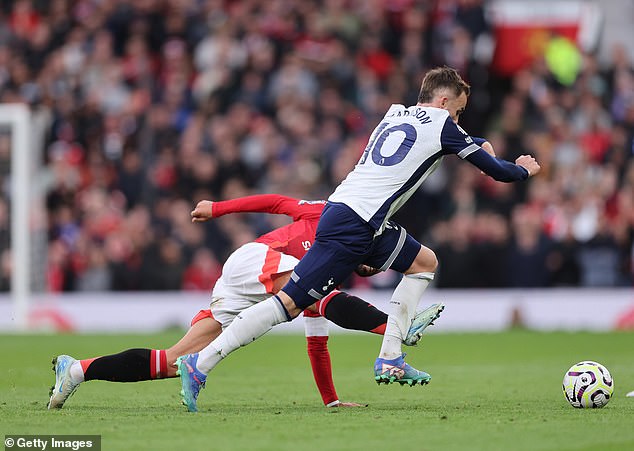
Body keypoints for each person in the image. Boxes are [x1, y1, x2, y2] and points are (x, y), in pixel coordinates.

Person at [176, 66, 541, 412]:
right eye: (459, 111)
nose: (458, 120)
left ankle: (390, 355)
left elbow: (445, 141)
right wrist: (523, 169)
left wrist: (478, 142)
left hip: (361, 220)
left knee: (424, 263)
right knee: (287, 306)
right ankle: (200, 363)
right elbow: (499, 173)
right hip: (352, 225)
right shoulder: (444, 125)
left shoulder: (395, 112)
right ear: (444, 103)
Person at [48, 194, 444, 410]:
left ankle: (77, 370)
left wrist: (331, 401)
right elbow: (273, 202)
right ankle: (399, 332)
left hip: (241, 284)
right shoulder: (330, 213)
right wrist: (216, 209)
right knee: (321, 298)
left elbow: (317, 340)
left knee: (171, 363)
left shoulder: (326, 271)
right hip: (254, 259)